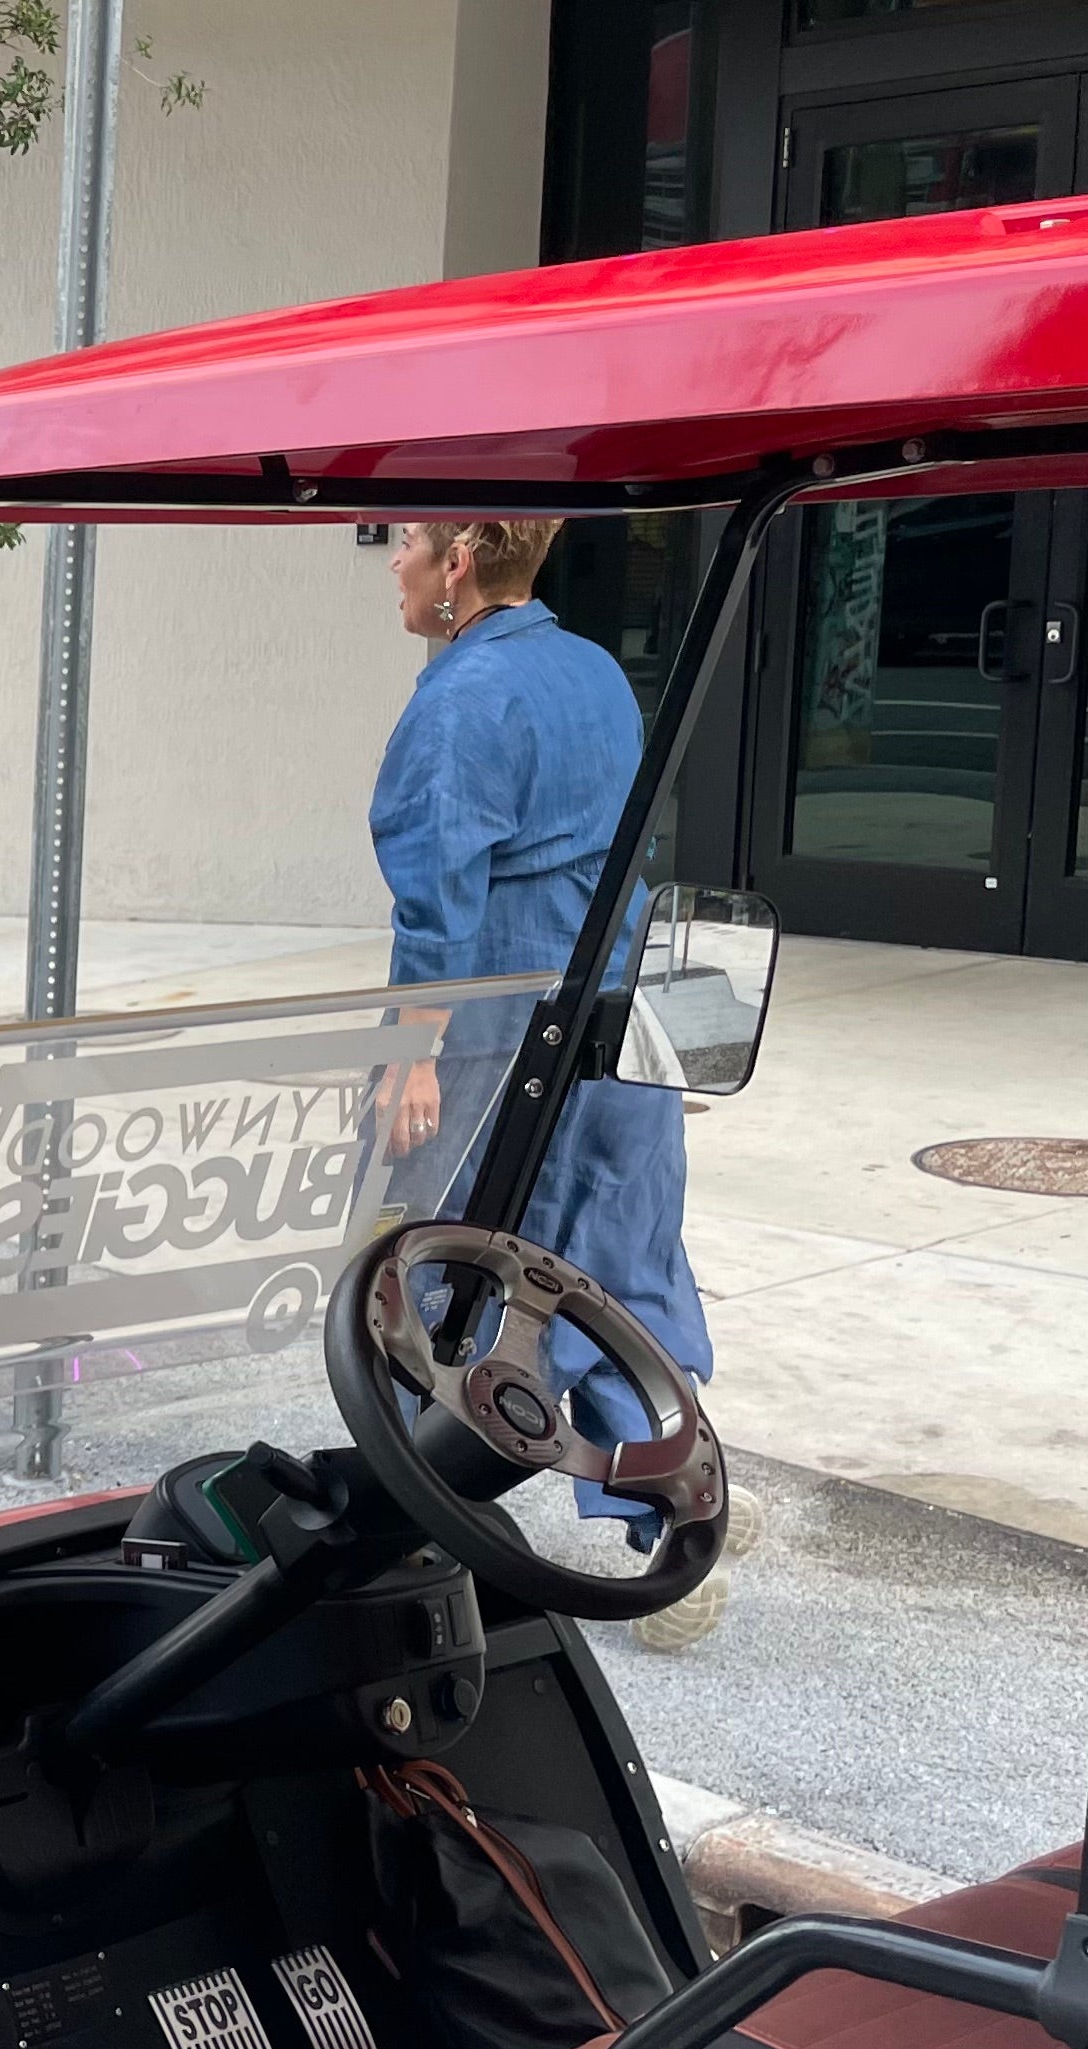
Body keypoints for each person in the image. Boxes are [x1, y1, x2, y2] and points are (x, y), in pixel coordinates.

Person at [374, 519, 724, 1650]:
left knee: (445, 1273)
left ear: (460, 559)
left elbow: (440, 904)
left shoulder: (461, 702)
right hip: (619, 1012)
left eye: (406, 543)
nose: (393, 560)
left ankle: (420, 1536)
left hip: (505, 1026)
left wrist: (409, 1050)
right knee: (625, 1266)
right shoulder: (593, 672)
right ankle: (673, 1516)